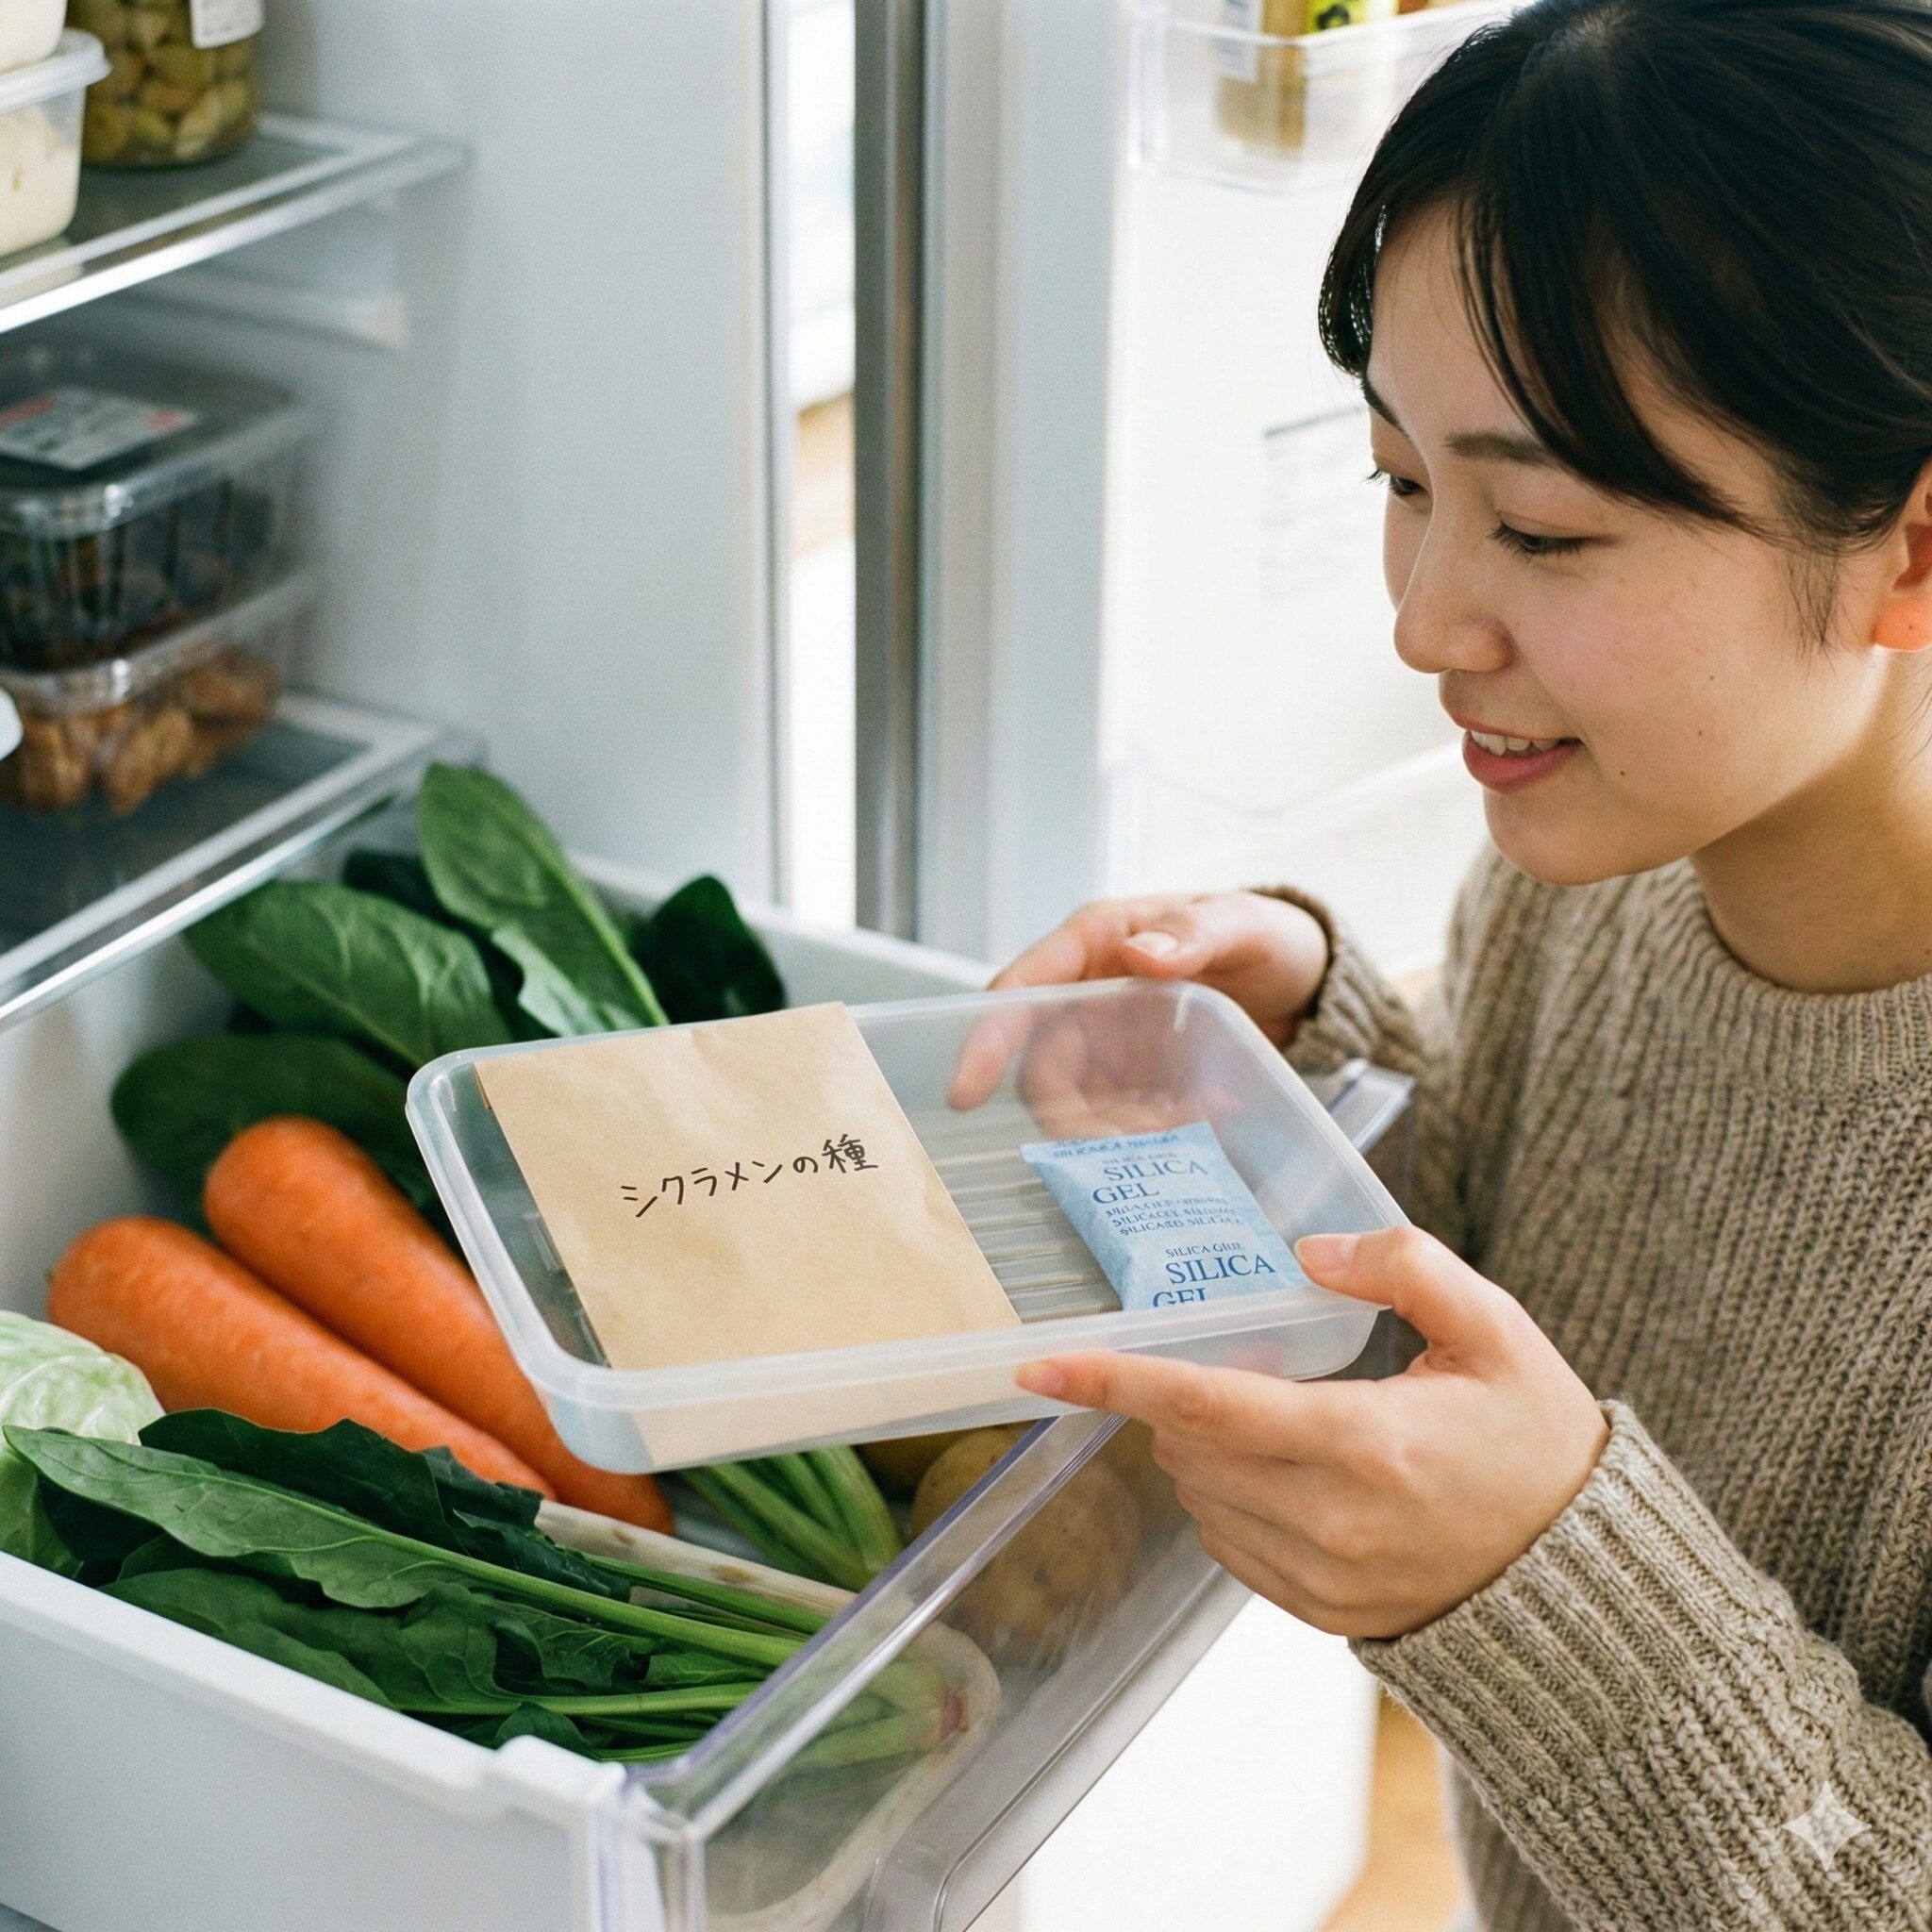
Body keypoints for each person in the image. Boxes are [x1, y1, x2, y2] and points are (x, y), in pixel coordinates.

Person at [980, 2, 1932, 1924]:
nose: (1424, 623)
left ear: (1908, 549)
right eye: (1401, 482)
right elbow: (1542, 1237)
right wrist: (1302, 1054)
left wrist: (1548, 1583)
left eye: (1544, 532)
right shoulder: (1602, 869)